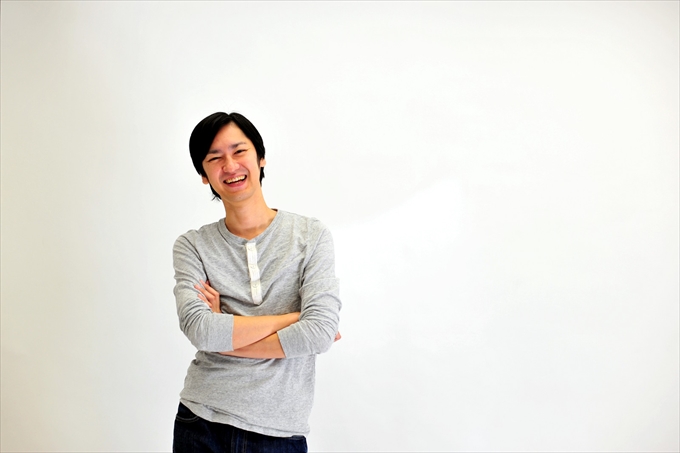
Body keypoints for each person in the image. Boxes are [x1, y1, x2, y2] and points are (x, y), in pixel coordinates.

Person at [172, 112, 341, 453]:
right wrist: (294, 318)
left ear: (261, 157)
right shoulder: (192, 246)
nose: (230, 166)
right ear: (204, 175)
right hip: (201, 422)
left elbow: (320, 332)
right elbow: (201, 331)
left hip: (278, 433)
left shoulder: (310, 235)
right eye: (214, 158)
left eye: (239, 151)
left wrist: (225, 335)